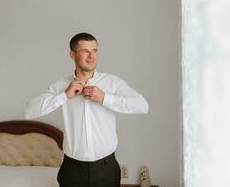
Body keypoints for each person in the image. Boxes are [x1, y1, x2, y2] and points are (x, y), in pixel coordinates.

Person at [24, 32, 149, 187]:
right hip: (72, 170)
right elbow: (29, 111)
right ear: (72, 54)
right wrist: (64, 96)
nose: (92, 56)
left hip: (107, 168)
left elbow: (142, 106)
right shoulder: (61, 86)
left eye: (95, 51)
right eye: (85, 51)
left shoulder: (112, 83)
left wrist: (105, 98)